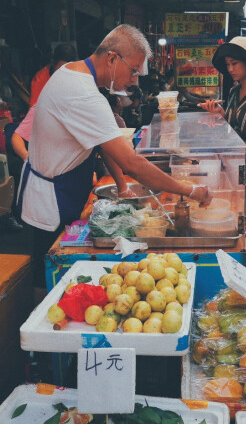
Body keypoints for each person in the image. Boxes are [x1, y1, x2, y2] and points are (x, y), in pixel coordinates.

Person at [17, 24, 211, 304]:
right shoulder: (82, 93)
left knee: (47, 273)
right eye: (133, 70)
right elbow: (131, 162)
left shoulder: (73, 73)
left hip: (59, 189)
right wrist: (189, 190)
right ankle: (39, 340)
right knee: (45, 276)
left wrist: (122, 185)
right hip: (49, 200)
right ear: (111, 58)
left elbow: (101, 139)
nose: (134, 80)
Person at [198, 37, 246, 172]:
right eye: (227, 64)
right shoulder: (234, 91)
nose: (230, 69)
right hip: (232, 162)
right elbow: (232, 127)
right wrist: (220, 113)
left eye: (234, 63)